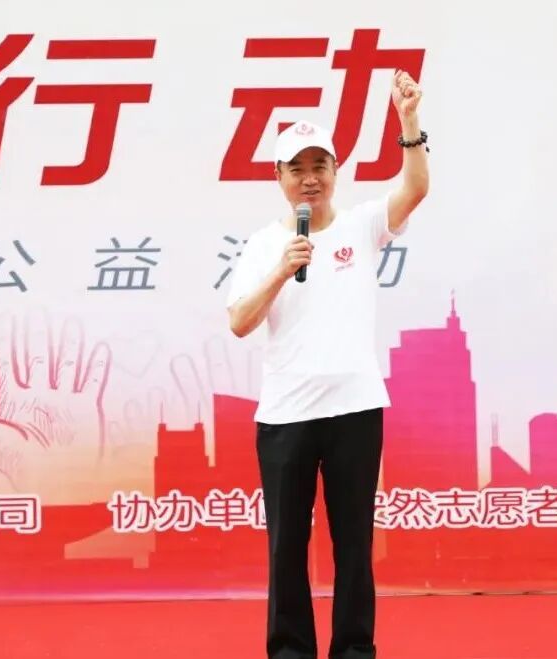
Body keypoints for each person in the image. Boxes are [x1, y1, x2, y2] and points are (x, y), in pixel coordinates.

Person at [225, 69, 428, 659]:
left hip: (355, 409)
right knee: (287, 547)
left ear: (336, 171)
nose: (309, 178)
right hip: (285, 415)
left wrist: (409, 121)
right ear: (279, 177)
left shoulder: (362, 225)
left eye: (320, 166)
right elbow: (239, 321)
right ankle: (290, 650)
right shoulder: (263, 245)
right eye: (297, 168)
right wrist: (281, 270)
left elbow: (415, 188)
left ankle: (354, 650)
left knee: (353, 544)